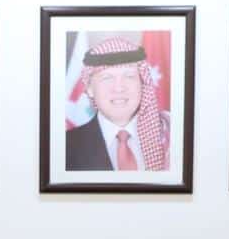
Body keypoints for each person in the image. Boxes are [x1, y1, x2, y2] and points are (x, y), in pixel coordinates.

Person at [66, 37, 170, 172]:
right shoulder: (65, 147)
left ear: (142, 83)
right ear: (90, 88)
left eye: (129, 76)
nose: (119, 88)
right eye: (107, 78)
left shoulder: (169, 139)